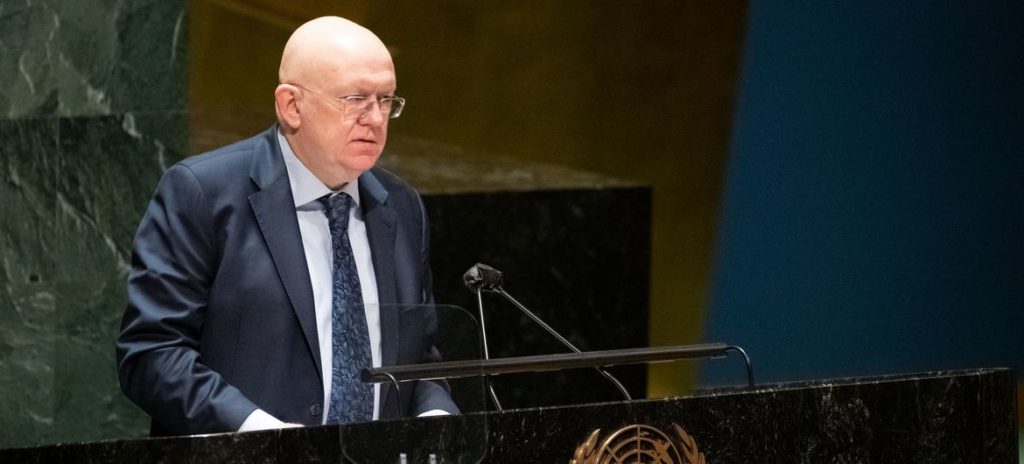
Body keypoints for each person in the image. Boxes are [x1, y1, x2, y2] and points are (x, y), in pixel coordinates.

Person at [116, 16, 457, 436]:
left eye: (385, 100)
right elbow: (152, 354)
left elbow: (419, 359)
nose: (375, 118)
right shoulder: (203, 193)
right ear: (291, 105)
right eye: (354, 99)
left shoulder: (400, 206)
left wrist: (437, 422)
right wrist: (261, 433)